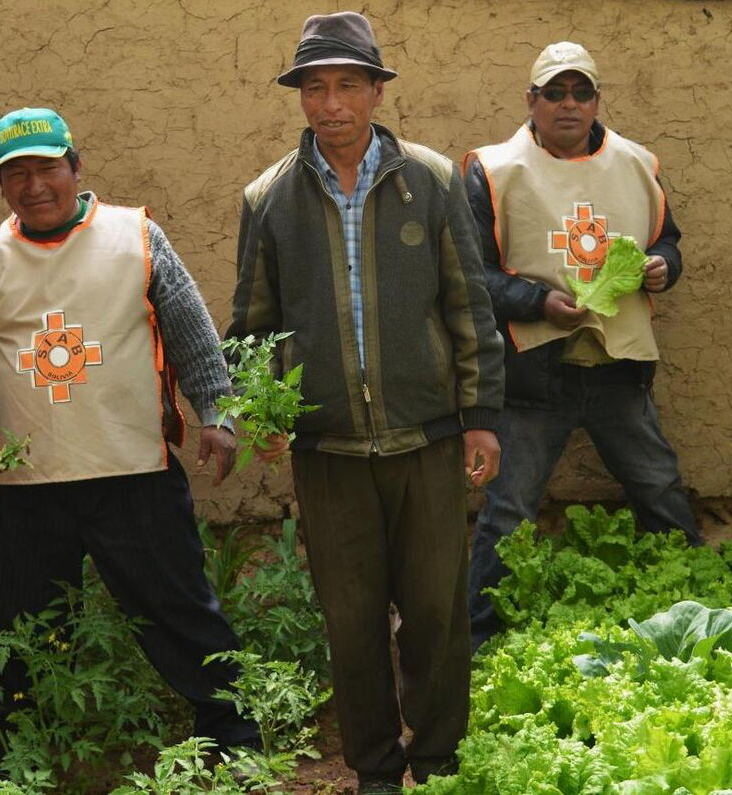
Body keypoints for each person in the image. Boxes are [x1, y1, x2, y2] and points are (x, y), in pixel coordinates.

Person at [0, 107, 259, 791]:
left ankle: (234, 732)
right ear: (1, 185)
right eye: (15, 173)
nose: (33, 185)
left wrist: (218, 415)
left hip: (132, 469)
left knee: (177, 603)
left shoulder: (136, 238)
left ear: (75, 167)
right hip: (30, 484)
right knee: (24, 624)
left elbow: (194, 336)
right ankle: (15, 749)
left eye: (46, 167)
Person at [228, 12, 504, 793]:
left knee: (435, 614)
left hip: (427, 438)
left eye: (349, 84)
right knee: (350, 626)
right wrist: (263, 409)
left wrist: (480, 413)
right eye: (315, 87)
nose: (331, 103)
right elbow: (250, 325)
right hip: (329, 451)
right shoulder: (269, 198)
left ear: (377, 91)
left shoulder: (431, 180)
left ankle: (439, 757)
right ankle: (377, 769)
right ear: (301, 99)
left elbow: (469, 306)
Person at [464, 41, 704, 652]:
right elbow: (469, 277)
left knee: (657, 486)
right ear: (531, 100)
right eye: (554, 92)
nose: (568, 104)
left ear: (597, 99)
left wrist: (661, 268)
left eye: (580, 92)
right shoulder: (493, 170)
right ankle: (479, 639)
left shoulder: (636, 163)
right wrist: (537, 302)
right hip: (534, 375)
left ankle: (696, 605)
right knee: (509, 512)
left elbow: (667, 241)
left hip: (616, 367)